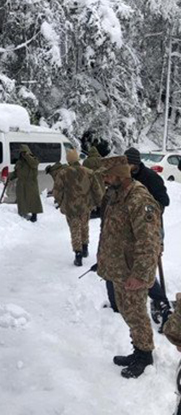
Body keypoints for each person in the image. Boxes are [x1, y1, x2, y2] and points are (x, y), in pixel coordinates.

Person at [95, 156, 161, 378]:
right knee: (128, 312)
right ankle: (138, 349)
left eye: (108, 174)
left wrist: (140, 275)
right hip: (119, 269)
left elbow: (149, 242)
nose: (104, 179)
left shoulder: (139, 200)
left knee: (137, 314)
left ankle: (144, 355)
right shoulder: (116, 195)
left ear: (121, 175)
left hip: (133, 272)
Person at [119, 147, 171, 326]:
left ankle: (161, 302)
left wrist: (147, 210)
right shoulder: (125, 178)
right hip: (129, 232)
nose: (127, 166)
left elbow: (164, 201)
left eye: (129, 163)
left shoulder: (151, 178)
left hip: (151, 228)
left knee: (148, 265)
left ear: (136, 163)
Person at [53, 149, 103, 266]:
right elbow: (96, 190)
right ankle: (85, 247)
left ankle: (78, 254)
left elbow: (57, 191)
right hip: (85, 205)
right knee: (84, 226)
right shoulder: (89, 172)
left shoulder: (63, 173)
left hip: (70, 207)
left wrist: (60, 202)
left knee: (74, 229)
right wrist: (98, 203)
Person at [8, 144, 43, 222]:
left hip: (31, 183)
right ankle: (23, 213)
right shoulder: (19, 162)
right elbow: (16, 172)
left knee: (33, 199)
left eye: (24, 152)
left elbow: (34, 164)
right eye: (21, 153)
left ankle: (34, 216)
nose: (23, 154)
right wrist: (10, 176)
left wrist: (27, 156)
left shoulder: (33, 159)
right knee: (22, 199)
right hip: (21, 183)